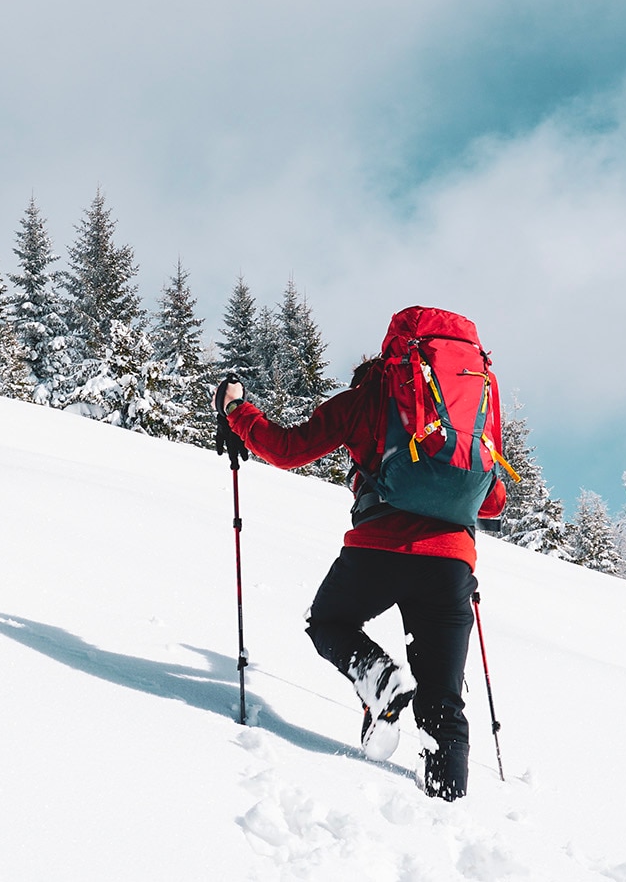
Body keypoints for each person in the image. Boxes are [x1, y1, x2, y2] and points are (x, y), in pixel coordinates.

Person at [214, 308, 507, 801]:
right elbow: (494, 501)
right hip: (451, 562)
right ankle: (447, 813)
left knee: (329, 622)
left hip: (380, 549)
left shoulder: (372, 394)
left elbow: (287, 449)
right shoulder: (475, 406)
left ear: (395, 348)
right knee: (444, 702)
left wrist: (238, 412)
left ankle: (381, 678)